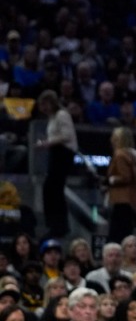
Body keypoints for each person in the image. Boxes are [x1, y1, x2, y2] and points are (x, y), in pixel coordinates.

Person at [35, 90, 77, 238]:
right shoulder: (52, 118)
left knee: (53, 187)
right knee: (51, 188)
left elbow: (66, 136)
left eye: (45, 104)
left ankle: (58, 224)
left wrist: (47, 143)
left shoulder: (62, 115)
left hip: (63, 153)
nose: (43, 108)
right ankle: (54, 223)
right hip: (56, 152)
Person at [104, 127, 136, 243]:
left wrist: (111, 180)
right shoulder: (131, 156)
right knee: (125, 232)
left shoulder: (120, 155)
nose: (111, 139)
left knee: (117, 234)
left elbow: (126, 177)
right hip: (130, 200)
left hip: (121, 200)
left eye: (114, 137)